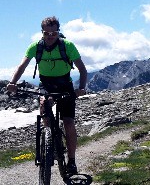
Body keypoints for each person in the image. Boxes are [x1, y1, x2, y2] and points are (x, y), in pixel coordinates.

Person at [5, 16, 88, 174]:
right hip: (46, 85)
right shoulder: (36, 47)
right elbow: (22, 66)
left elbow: (82, 70)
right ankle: (49, 140)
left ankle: (71, 160)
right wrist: (12, 82)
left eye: (54, 33)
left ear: (58, 32)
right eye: (46, 33)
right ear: (42, 32)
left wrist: (81, 88)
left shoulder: (68, 46)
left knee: (69, 122)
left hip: (66, 86)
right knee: (44, 107)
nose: (50, 36)